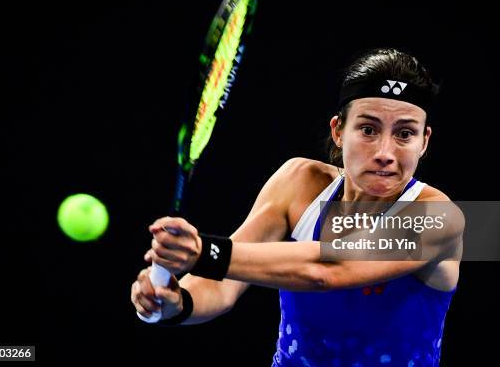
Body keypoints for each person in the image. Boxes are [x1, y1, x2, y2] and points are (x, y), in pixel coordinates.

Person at [130, 48, 464, 366]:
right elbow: (221, 285)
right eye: (368, 129)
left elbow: (328, 269)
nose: (385, 152)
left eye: (405, 134)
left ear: (424, 142)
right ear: (338, 131)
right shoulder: (298, 183)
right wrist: (175, 302)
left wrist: (204, 253)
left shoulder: (438, 217)